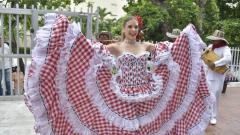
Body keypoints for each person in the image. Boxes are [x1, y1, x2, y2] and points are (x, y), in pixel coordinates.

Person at [25, 14, 212, 135]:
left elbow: (169, 52)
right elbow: (92, 53)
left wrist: (185, 41)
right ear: (123, 29)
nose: (133, 30)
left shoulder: (146, 46)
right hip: (122, 96)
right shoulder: (115, 47)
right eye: (129, 27)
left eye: (136, 27)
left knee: (147, 129)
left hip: (147, 95)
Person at [205, 30, 232, 125]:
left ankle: (213, 116)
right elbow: (205, 58)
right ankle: (206, 115)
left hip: (218, 76)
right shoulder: (210, 47)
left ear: (221, 40)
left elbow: (228, 59)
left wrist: (215, 63)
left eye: (217, 39)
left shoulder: (225, 48)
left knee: (215, 96)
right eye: (214, 39)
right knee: (207, 95)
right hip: (208, 74)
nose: (215, 41)